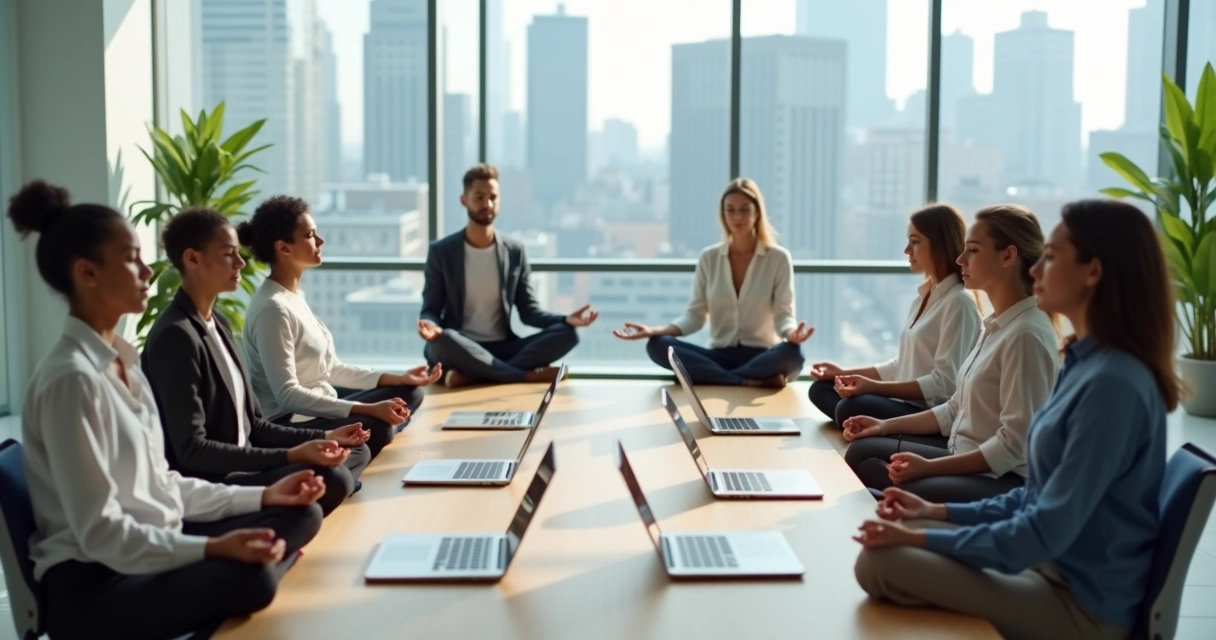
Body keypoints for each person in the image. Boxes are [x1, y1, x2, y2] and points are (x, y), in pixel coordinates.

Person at [7, 180, 326, 640]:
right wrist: (210, 549)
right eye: (131, 258)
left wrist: (264, 497)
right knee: (250, 576)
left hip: (152, 549)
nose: (148, 271)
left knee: (297, 514)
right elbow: (102, 533)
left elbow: (163, 484)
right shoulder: (71, 381)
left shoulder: (125, 362)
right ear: (87, 273)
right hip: (97, 583)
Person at [852, 199, 1179, 640]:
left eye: (1052, 256)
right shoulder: (1086, 363)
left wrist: (925, 538)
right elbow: (1035, 497)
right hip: (1046, 566)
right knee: (901, 528)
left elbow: (1041, 530)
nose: (1037, 268)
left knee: (882, 560)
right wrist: (935, 512)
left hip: (1078, 602)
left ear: (1093, 272)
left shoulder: (1112, 385)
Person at [143, 207, 372, 516]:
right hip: (217, 483)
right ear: (193, 259)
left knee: (349, 452)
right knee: (330, 481)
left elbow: (256, 425)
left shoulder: (218, 323)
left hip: (248, 462)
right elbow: (192, 451)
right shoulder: (176, 337)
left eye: (239, 253)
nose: (240, 263)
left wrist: (325, 437)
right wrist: (290, 456)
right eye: (228, 255)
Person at [841, 205, 1059, 503]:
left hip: (1002, 482)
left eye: (972, 250)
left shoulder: (1025, 335)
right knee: (863, 451)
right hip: (962, 454)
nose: (960, 259)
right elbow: (954, 409)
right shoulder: (997, 325)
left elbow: (1013, 447)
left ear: (1008, 256)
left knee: (879, 479)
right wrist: (883, 425)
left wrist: (931, 467)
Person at [240, 195, 440, 459]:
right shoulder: (272, 309)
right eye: (310, 235)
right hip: (294, 421)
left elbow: (332, 368)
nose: (320, 241)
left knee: (409, 392)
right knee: (379, 426)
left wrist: (398, 377)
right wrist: (368, 410)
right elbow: (287, 395)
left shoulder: (294, 297)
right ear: (284, 248)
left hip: (320, 401)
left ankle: (375, 435)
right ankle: (372, 438)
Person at [612, 178, 814, 387]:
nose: (737, 217)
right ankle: (743, 381)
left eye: (745, 209)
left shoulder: (778, 258)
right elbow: (695, 315)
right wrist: (655, 331)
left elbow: (784, 315)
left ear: (757, 212)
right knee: (657, 346)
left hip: (762, 356)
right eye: (730, 210)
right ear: (723, 214)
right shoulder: (709, 257)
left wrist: (792, 334)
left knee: (792, 354)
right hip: (718, 355)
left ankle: (712, 377)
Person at [418, 163, 598, 388]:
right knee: (443, 340)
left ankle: (476, 375)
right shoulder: (442, 252)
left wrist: (565, 320)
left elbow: (529, 313)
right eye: (479, 197)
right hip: (461, 346)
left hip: (504, 347)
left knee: (569, 335)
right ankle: (523, 375)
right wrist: (431, 325)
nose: (488, 204)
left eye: (493, 197)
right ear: (464, 200)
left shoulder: (514, 251)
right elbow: (431, 308)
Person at [808, 204, 980, 424]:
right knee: (822, 389)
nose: (907, 250)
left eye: (915, 242)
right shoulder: (925, 296)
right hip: (902, 403)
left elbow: (944, 384)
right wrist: (844, 372)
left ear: (939, 245)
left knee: (852, 406)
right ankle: (862, 426)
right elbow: (902, 366)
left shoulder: (959, 303)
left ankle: (866, 426)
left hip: (927, 414)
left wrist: (875, 388)